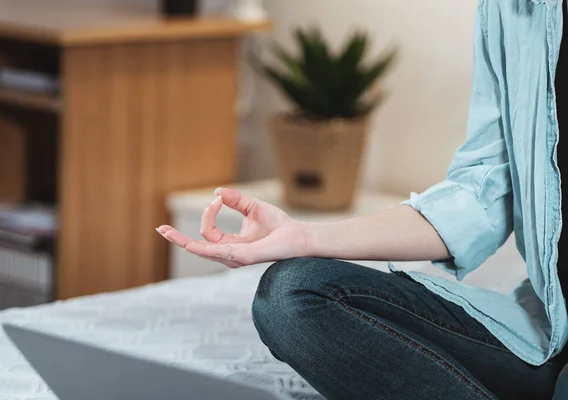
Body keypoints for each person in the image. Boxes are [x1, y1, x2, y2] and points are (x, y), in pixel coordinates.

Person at [156, 0, 568, 398]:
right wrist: (302, 237)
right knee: (292, 295)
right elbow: (481, 194)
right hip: (548, 335)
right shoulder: (514, 9)